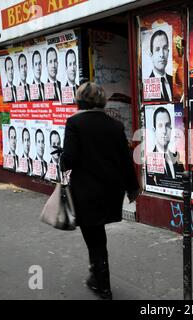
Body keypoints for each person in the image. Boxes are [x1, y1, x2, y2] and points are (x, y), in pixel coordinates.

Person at [60, 82, 140, 300]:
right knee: (98, 236)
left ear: (80, 100)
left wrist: (61, 157)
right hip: (111, 192)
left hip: (87, 192)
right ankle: (97, 276)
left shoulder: (74, 123)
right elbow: (125, 160)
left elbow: (69, 159)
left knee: (94, 237)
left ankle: (102, 284)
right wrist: (133, 188)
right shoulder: (115, 125)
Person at [147, 107, 184, 185]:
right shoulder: (149, 161)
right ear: (154, 131)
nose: (164, 131)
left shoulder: (177, 159)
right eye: (160, 126)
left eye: (167, 125)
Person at [149, 30, 173, 102]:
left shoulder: (174, 82)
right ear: (151, 55)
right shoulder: (146, 85)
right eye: (157, 49)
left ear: (168, 52)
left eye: (165, 48)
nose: (162, 55)